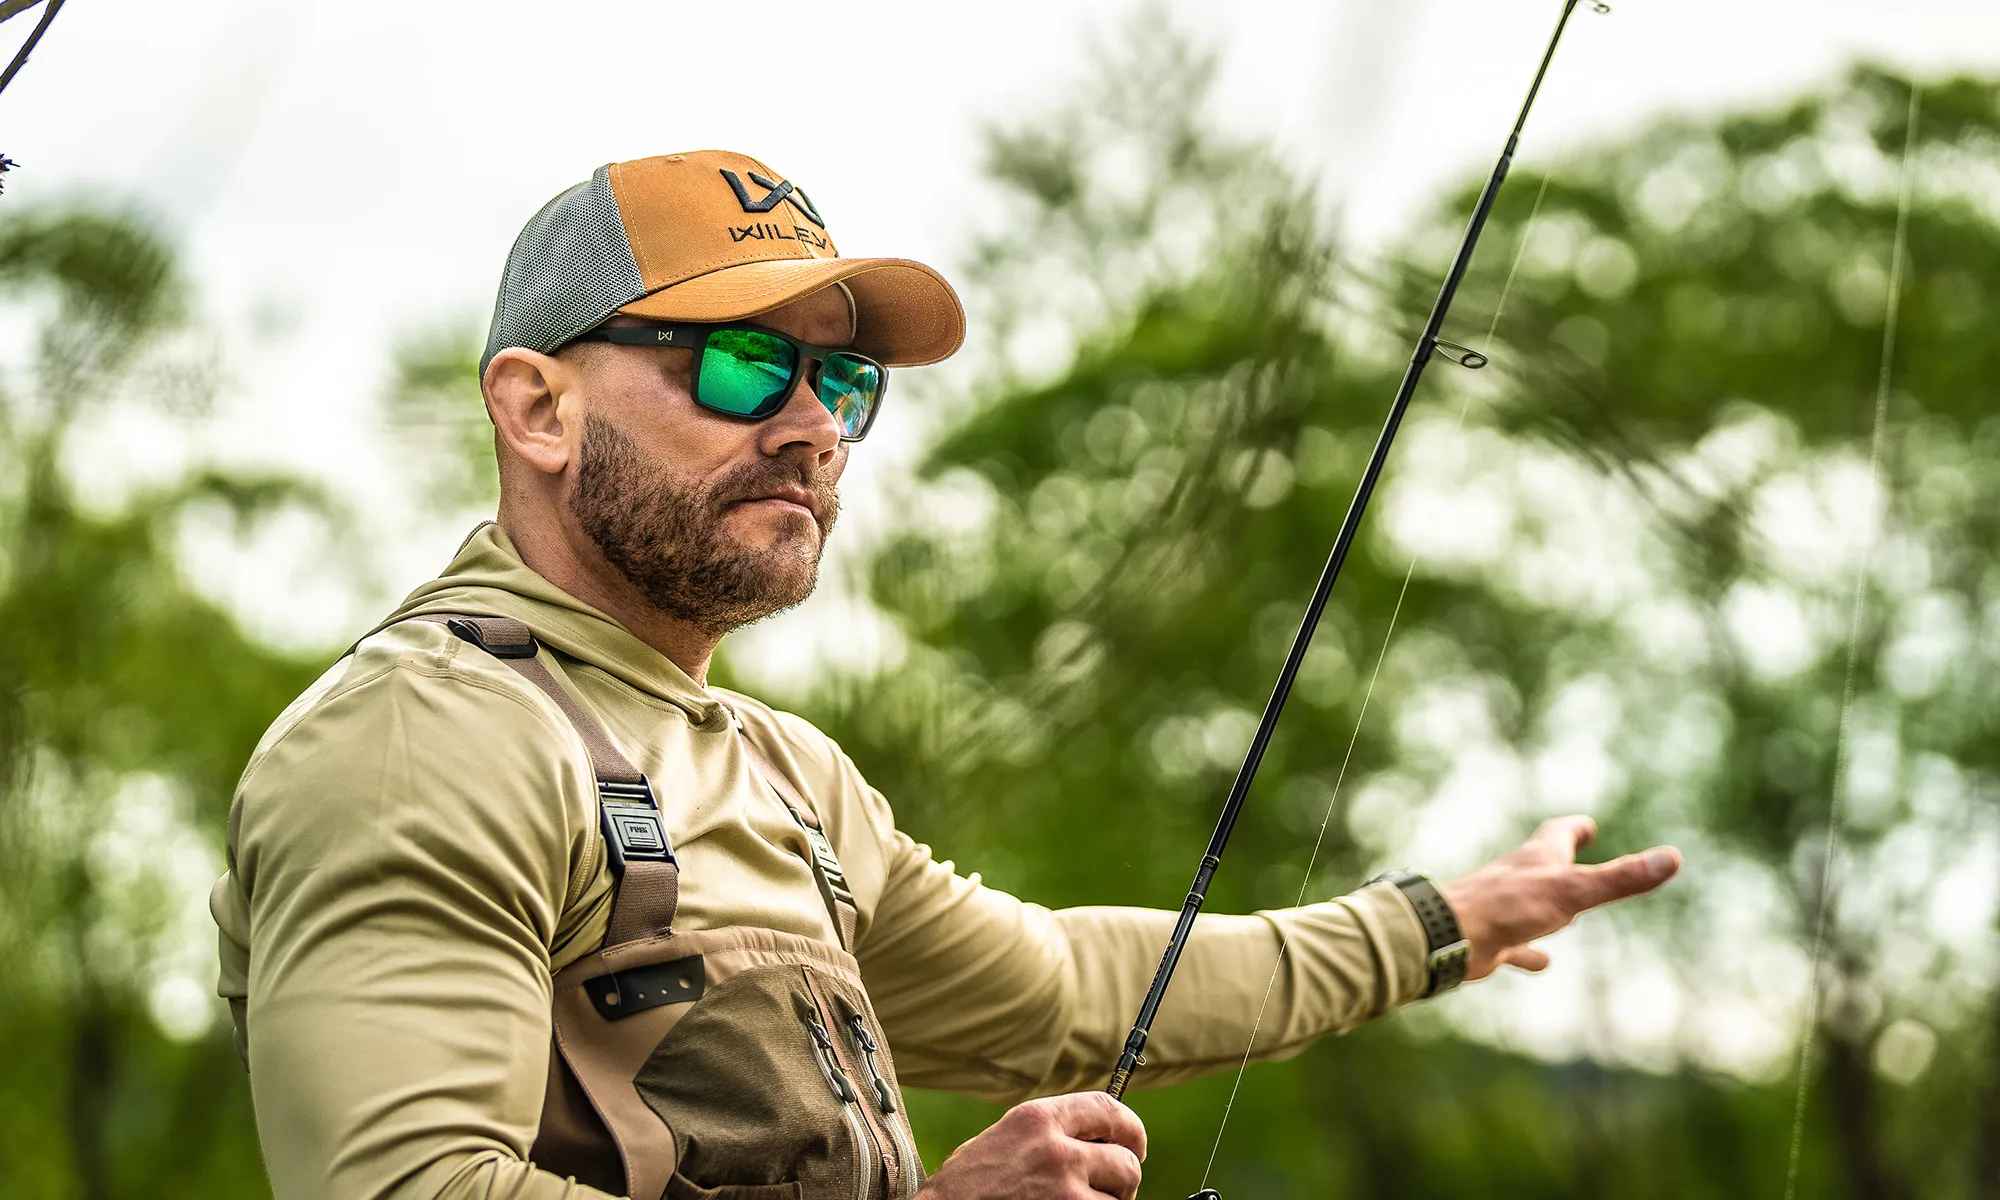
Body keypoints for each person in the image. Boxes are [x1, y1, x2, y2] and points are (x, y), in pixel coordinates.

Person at [209, 150, 1683, 1200]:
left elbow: (1068, 995)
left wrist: (1448, 924)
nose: (809, 426)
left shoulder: (786, 774)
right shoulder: (421, 739)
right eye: (737, 367)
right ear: (536, 407)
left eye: (843, 383)